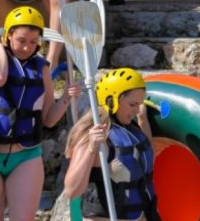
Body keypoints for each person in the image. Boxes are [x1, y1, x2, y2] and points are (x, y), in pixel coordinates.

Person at [0, 6, 82, 221]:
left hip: (26, 156)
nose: (27, 48)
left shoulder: (42, 67)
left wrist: (67, 97)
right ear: (8, 34)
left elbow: (48, 119)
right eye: (21, 40)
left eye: (33, 42)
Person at [64, 68, 160, 220]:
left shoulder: (131, 129)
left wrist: (143, 120)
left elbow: (145, 160)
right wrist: (91, 150)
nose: (136, 110)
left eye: (139, 105)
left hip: (140, 214)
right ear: (112, 100)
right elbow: (72, 190)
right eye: (132, 104)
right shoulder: (94, 134)